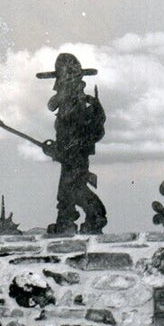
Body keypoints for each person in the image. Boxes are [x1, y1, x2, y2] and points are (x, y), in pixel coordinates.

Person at [36, 53, 107, 235]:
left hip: (77, 155)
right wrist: (55, 148)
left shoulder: (82, 103)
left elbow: (91, 132)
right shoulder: (66, 104)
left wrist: (67, 149)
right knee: (66, 190)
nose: (56, 85)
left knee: (74, 188)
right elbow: (64, 133)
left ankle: (96, 215)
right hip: (68, 154)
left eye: (61, 79)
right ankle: (65, 222)